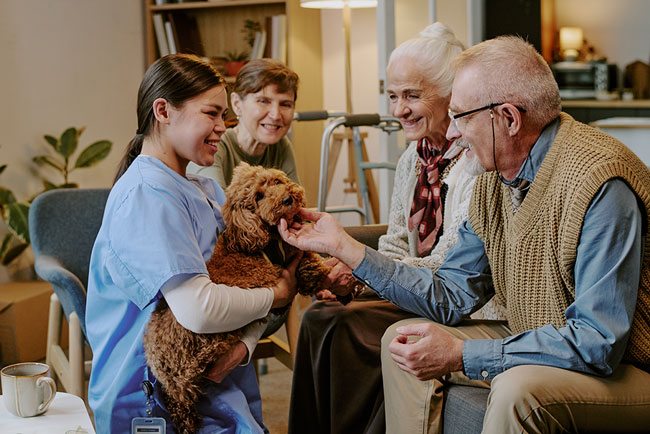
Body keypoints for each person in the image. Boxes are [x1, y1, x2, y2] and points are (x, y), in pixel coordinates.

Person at [279, 36, 650, 433]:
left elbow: (599, 343)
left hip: (627, 366)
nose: (451, 134)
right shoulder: (494, 179)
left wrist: (463, 354)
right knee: (404, 341)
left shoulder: (599, 182)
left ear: (508, 118)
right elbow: (450, 293)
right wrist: (346, 248)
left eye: (461, 116)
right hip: (542, 335)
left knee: (516, 391)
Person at [288, 23, 504, 434]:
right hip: (410, 288)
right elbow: (395, 241)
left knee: (347, 326)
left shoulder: (478, 161)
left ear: (449, 95)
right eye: (392, 95)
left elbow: (448, 269)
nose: (398, 110)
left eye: (412, 95)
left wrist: (366, 275)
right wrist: (357, 274)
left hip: (455, 300)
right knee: (321, 316)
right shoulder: (413, 159)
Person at [86, 54, 300, 433]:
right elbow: (199, 311)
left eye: (223, 115)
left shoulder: (205, 189)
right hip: (156, 399)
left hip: (219, 382)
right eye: (212, 113)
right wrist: (278, 295)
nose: (223, 127)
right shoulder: (146, 196)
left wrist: (243, 348)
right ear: (164, 111)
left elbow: (244, 283)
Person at [187, 58, 300, 189]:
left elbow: (296, 205)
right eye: (263, 101)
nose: (275, 115)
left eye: (285, 104)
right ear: (236, 104)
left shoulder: (281, 146)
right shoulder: (213, 146)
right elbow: (217, 207)